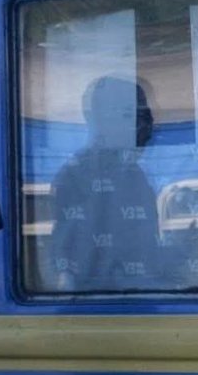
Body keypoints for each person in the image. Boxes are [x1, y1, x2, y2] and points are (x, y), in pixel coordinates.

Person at [49, 75, 161, 291]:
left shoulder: (134, 174)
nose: (148, 126)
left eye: (145, 116)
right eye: (133, 116)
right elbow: (67, 262)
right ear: (101, 120)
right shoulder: (77, 175)